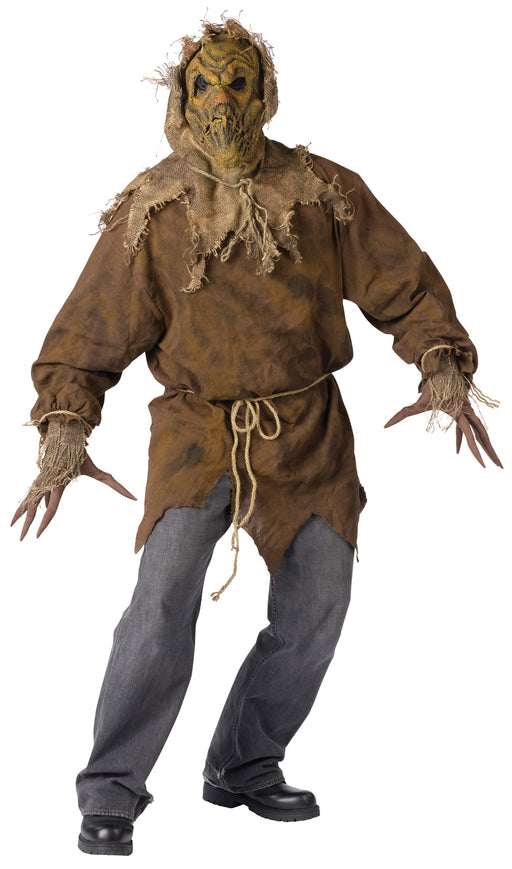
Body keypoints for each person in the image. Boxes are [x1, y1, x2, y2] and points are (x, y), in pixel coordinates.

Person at [11, 17, 501, 857]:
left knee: (318, 605)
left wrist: (440, 358)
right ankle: (111, 788)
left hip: (307, 432)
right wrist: (65, 423)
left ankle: (242, 761)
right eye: (205, 83)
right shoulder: (154, 209)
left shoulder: (323, 192)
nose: (221, 100)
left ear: (265, 94)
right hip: (196, 431)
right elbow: (89, 332)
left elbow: (403, 284)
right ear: (182, 97)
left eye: (238, 82)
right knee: (160, 603)